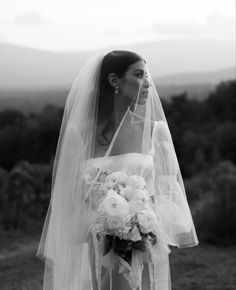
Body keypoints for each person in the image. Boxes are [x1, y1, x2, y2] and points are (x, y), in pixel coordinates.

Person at [36, 50, 199, 290]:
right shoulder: (79, 134)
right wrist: (106, 222)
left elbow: (168, 195)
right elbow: (69, 199)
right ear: (114, 81)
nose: (148, 83)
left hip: (146, 247)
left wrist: (140, 220)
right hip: (99, 248)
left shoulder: (156, 131)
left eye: (147, 75)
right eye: (139, 75)